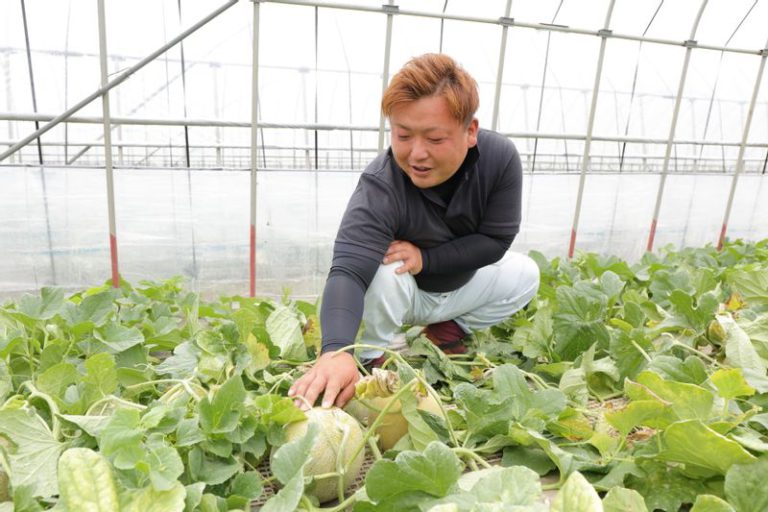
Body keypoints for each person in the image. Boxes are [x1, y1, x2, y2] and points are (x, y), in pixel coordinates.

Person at [289, 53, 540, 410]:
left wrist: (427, 257)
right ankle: (371, 357)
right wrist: (335, 350)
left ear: (470, 131)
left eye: (435, 139)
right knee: (386, 266)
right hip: (405, 295)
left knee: (526, 274)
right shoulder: (382, 184)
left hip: (460, 286)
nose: (416, 154)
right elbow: (348, 269)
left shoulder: (500, 158)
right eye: (403, 135)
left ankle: (446, 330)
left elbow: (496, 241)